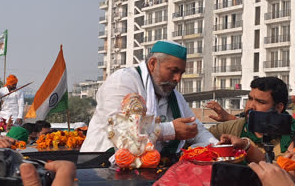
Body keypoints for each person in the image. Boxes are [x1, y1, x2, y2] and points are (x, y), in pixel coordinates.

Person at [81, 40, 218, 156]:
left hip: (147, 171)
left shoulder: (174, 96)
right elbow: (120, 129)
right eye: (173, 71)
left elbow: (196, 129)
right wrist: (170, 130)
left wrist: (219, 146)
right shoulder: (123, 80)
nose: (178, 79)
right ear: (152, 64)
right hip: (101, 165)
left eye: (181, 73)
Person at [209, 77, 295, 160]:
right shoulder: (235, 127)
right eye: (250, 99)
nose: (251, 106)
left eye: (260, 102)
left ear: (279, 107)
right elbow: (200, 137)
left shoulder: (294, 132)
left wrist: (247, 147)